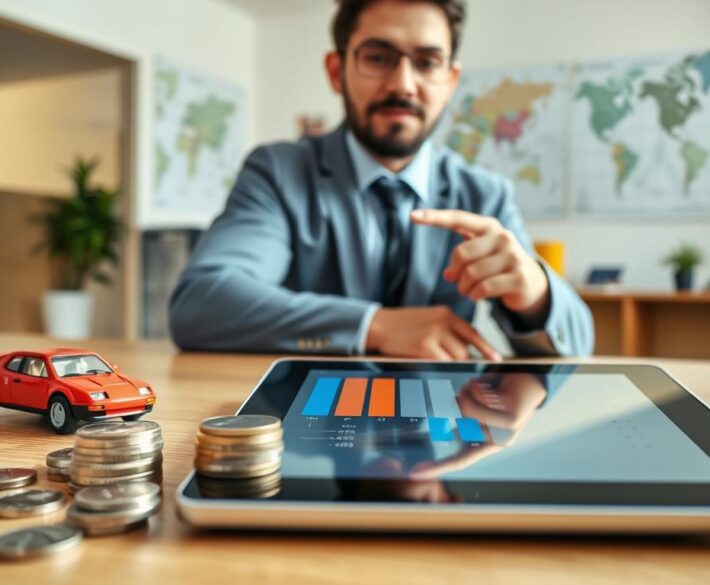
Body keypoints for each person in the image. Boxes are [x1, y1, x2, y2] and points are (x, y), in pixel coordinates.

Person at [169, 0, 593, 359]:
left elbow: (579, 345)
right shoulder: (279, 173)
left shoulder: (483, 195)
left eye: (427, 63)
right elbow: (201, 305)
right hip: (306, 432)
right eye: (378, 57)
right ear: (336, 71)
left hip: (444, 431)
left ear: (450, 81)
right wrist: (373, 325)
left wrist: (535, 292)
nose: (403, 84)